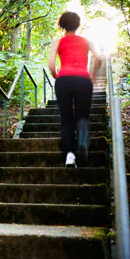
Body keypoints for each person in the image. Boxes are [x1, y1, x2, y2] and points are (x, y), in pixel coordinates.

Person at [47, 11, 103, 167]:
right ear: (78, 24)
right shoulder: (86, 41)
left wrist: (56, 75)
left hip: (64, 80)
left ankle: (70, 155)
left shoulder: (57, 41)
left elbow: (51, 64)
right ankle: (83, 138)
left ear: (62, 25)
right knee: (82, 116)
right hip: (83, 81)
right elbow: (99, 58)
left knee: (66, 119)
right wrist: (93, 76)